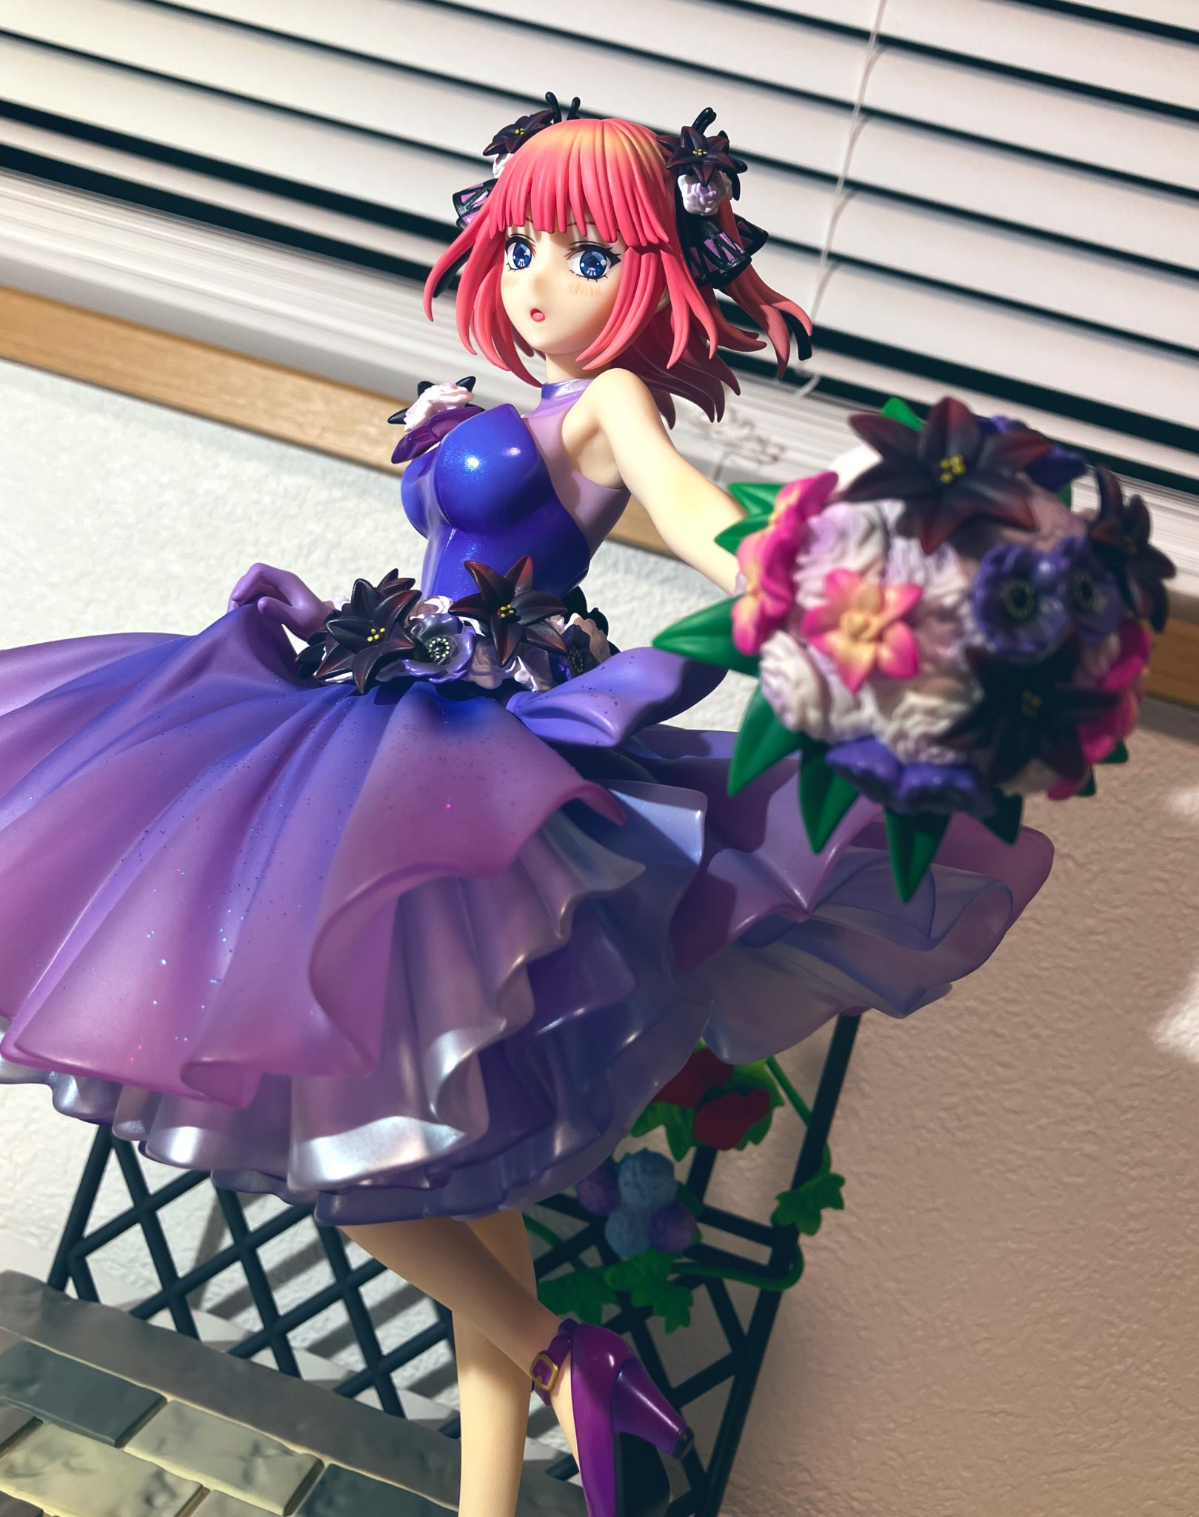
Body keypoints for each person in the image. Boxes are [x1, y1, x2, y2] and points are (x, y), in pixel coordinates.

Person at [0, 100, 1051, 1517]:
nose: (540, 281)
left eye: (589, 256)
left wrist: (820, 584)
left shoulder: (612, 409)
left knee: (348, 1132)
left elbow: (700, 520)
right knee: (445, 1170)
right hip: (375, 715)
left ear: (658, 275)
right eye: (520, 248)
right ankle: (509, 1467)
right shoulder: (515, 406)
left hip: (462, 760)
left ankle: (565, 1356)